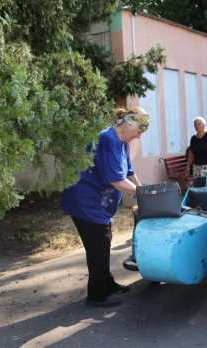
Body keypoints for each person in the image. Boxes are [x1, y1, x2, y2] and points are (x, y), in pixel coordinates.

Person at [62, 107, 149, 307]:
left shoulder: (122, 141)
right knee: (97, 248)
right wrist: (141, 193)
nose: (138, 136)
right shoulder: (107, 139)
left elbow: (128, 171)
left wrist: (142, 188)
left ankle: (106, 284)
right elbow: (116, 180)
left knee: (103, 242)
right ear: (129, 124)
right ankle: (96, 295)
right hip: (86, 201)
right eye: (139, 131)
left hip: (99, 204)